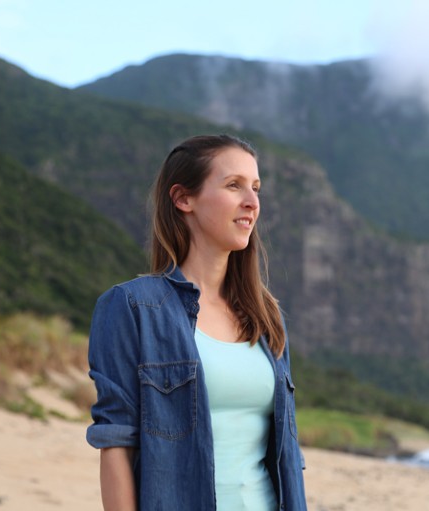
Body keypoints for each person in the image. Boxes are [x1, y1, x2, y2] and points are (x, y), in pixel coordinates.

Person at [86, 134, 307, 510]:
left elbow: (286, 453)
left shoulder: (266, 317)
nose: (252, 202)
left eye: (256, 188)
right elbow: (116, 444)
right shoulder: (131, 307)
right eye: (233, 185)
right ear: (183, 198)